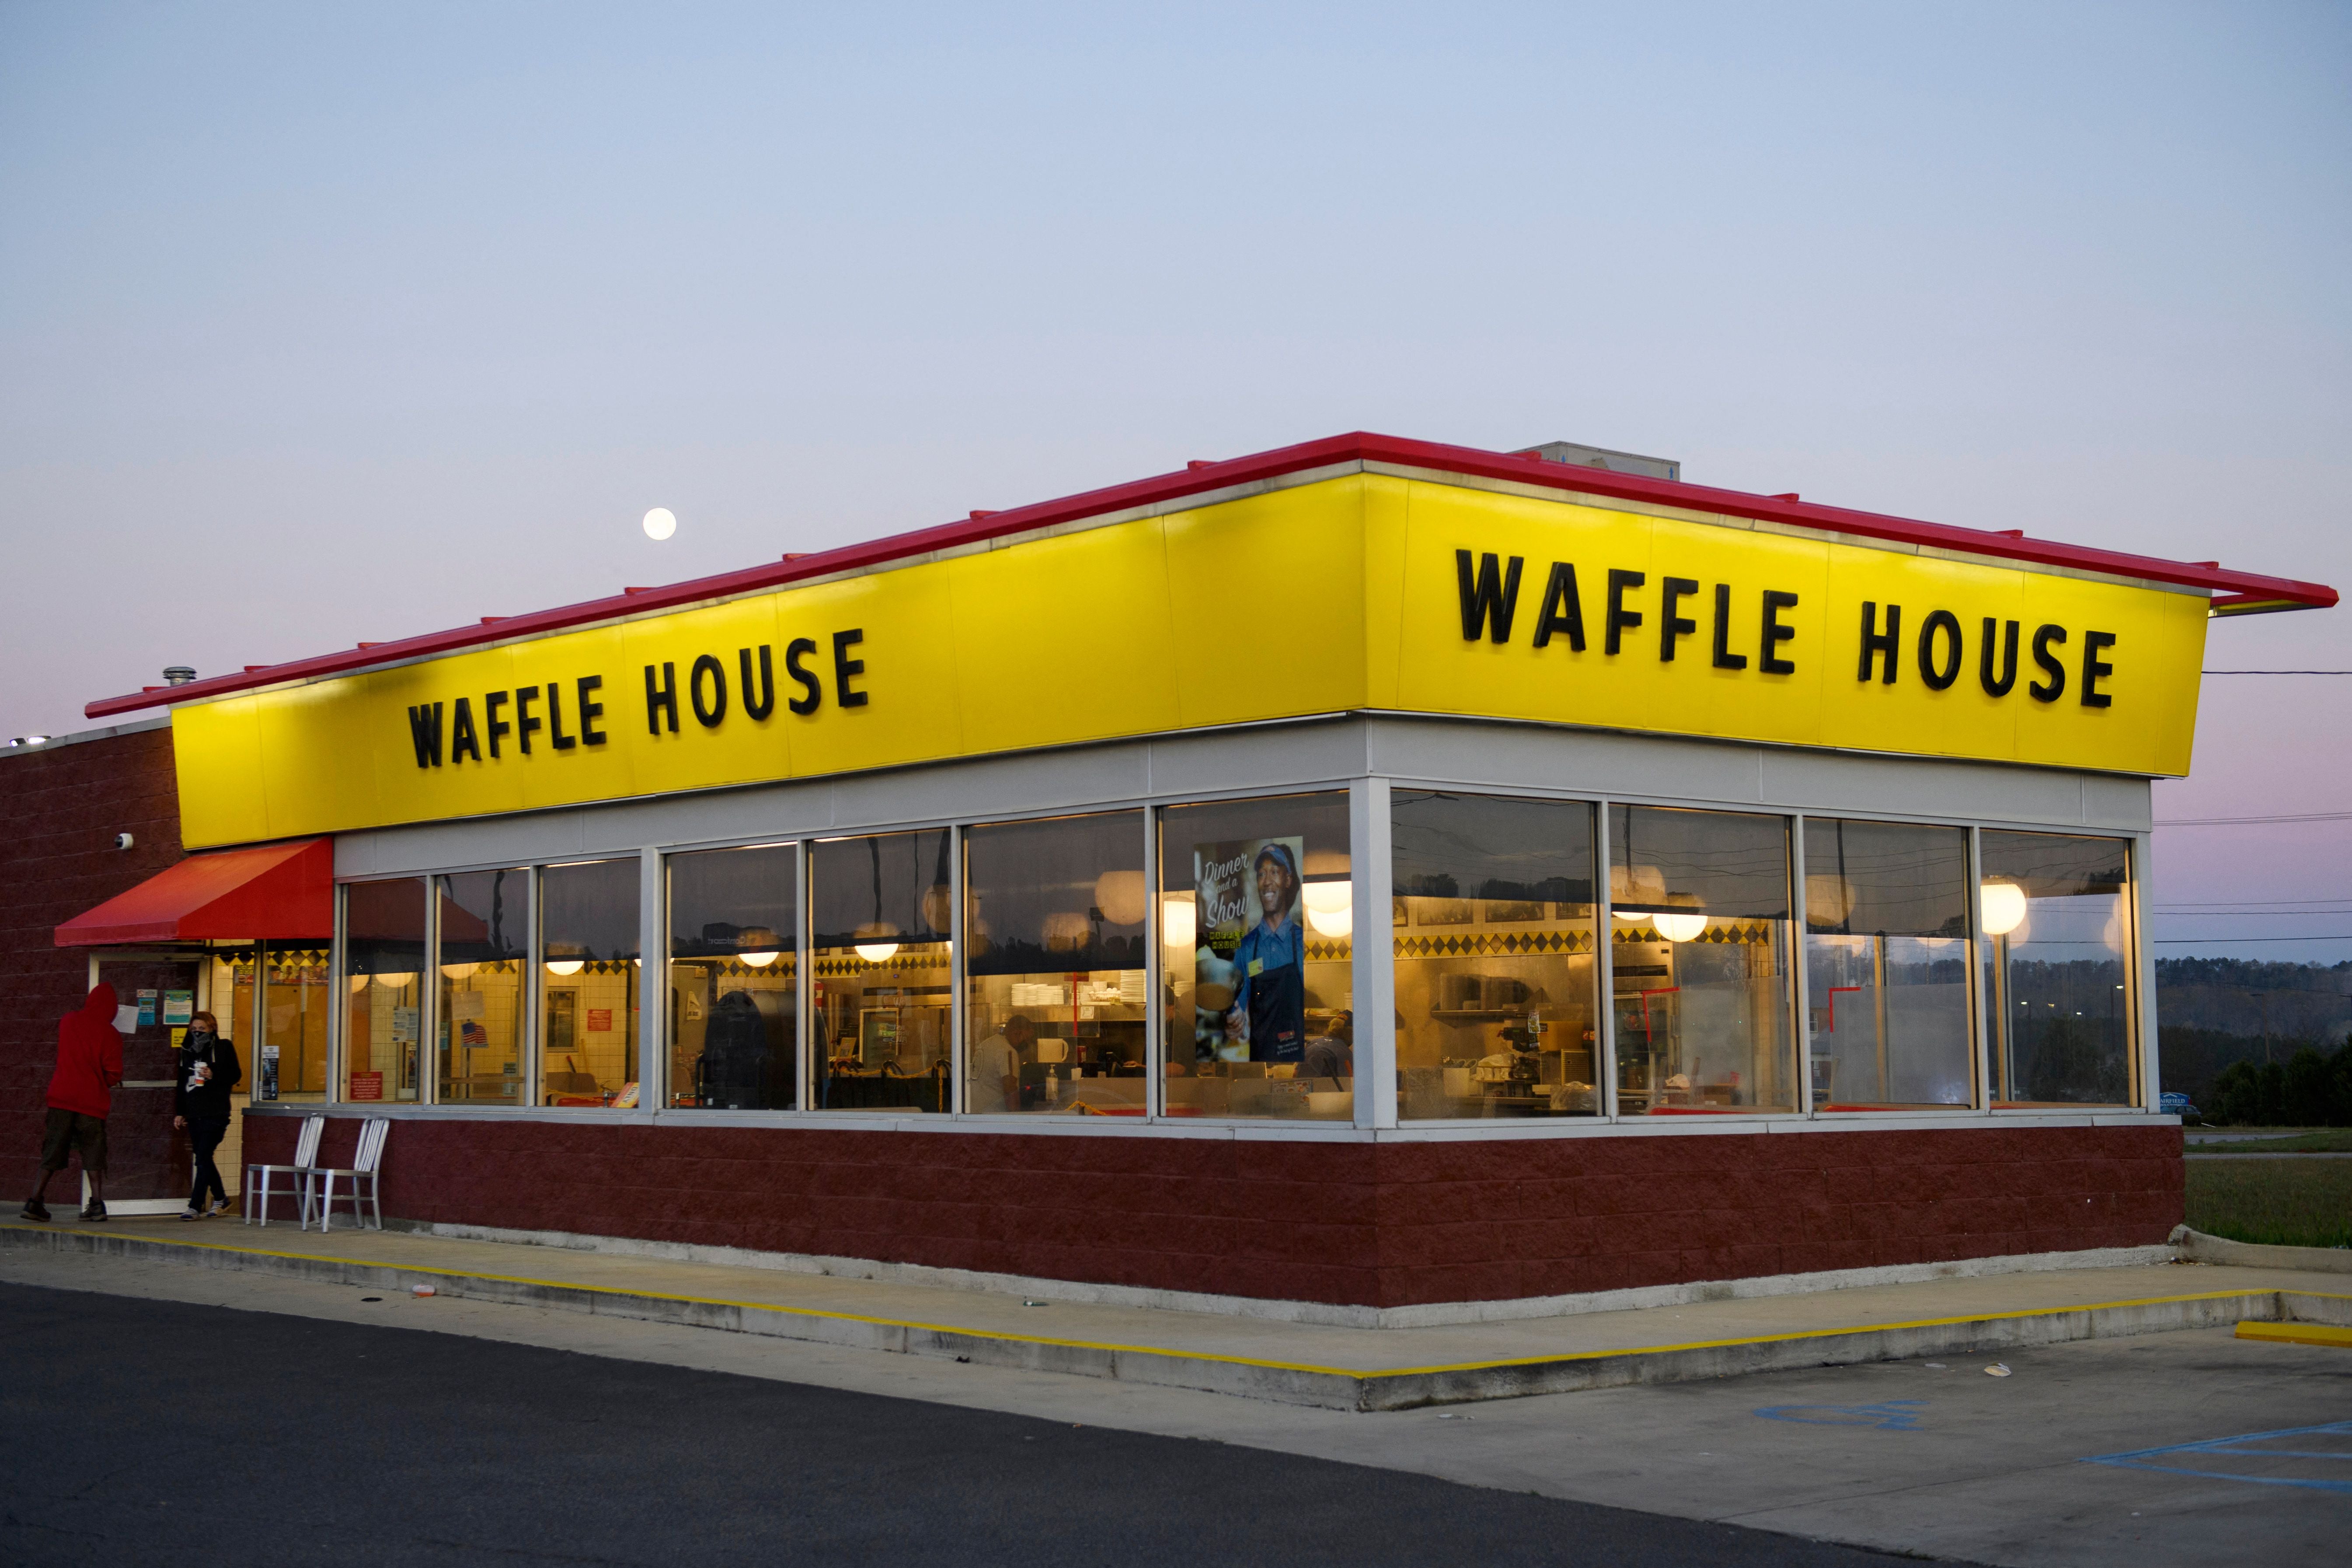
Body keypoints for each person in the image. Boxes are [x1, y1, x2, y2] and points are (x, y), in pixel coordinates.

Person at [22, 984, 124, 1223]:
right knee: (93, 1153)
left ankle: (34, 1202)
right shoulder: (111, 1034)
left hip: (61, 1098)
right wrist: (101, 1080)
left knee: (52, 1150)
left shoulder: (68, 1021)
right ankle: (97, 1205)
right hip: (92, 1103)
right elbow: (114, 1073)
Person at [1226, 843, 1307, 1064]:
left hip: (1297, 1062)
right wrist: (1234, 1022)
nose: (1267, 881)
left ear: (1288, 880)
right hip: (1260, 1063)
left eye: (1274, 872)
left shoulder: (1302, 944)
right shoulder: (1246, 948)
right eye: (1262, 874)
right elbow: (1238, 1010)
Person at [174, 1010, 243, 1220]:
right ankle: (222, 1198)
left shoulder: (223, 1047)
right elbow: (182, 1081)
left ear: (212, 1028)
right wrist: (181, 1111)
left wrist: (214, 1074)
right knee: (203, 1157)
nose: (197, 1033)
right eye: (194, 1029)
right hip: (195, 1111)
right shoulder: (187, 1050)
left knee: (203, 1156)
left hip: (216, 1111)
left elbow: (236, 1075)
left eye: (202, 1029)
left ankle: (194, 1206)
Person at [967, 1013, 1035, 1113]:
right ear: (1017, 1033)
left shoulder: (986, 1044)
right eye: (1026, 1040)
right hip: (994, 1116)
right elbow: (1010, 1090)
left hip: (974, 1114)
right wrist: (1018, 1120)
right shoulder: (1008, 1052)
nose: (1027, 1045)